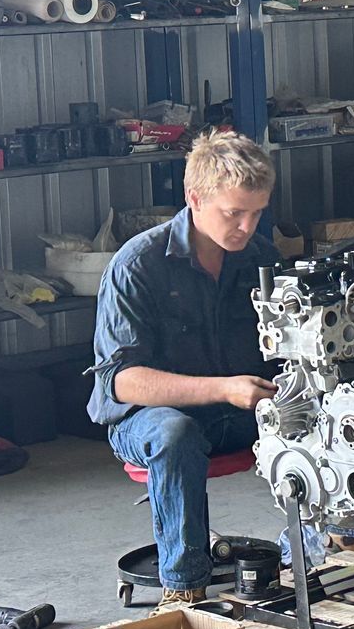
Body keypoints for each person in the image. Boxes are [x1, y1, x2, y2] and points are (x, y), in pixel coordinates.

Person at [89, 130, 279, 605]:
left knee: (328, 407)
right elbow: (123, 381)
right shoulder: (137, 265)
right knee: (176, 434)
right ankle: (184, 586)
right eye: (234, 213)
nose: (247, 226)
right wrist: (223, 388)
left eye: (257, 213)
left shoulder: (261, 259)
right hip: (146, 420)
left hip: (238, 409)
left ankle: (336, 547)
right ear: (195, 198)